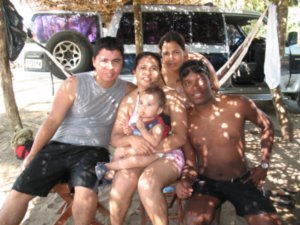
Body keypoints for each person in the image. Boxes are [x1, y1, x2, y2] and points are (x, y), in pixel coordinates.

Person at [0, 36, 136, 225]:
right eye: (104, 61)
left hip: (94, 151)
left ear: (122, 63)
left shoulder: (128, 89)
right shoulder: (74, 83)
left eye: (116, 61)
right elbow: (52, 120)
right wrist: (33, 153)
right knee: (20, 192)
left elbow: (156, 95)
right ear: (94, 61)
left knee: (86, 194)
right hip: (58, 146)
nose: (110, 67)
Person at [176, 59, 282, 225]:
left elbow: (267, 124)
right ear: (183, 89)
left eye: (200, 80)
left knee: (269, 222)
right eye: (188, 83)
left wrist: (264, 165)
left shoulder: (238, 104)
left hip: (241, 180)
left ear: (210, 81)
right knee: (194, 219)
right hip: (207, 183)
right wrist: (185, 180)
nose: (195, 87)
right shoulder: (186, 120)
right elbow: (190, 162)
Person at [109, 52, 187, 225]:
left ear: (160, 72)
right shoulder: (129, 101)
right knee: (121, 183)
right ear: (134, 71)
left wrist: (152, 147)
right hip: (139, 154)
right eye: (142, 68)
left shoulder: (171, 97)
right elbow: (115, 137)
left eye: (153, 68)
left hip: (167, 154)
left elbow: (181, 136)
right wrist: (132, 141)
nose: (147, 72)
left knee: (147, 183)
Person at [95, 85, 172, 180]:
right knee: (119, 150)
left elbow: (155, 142)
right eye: (141, 103)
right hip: (139, 149)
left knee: (133, 161)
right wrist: (129, 131)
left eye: (149, 105)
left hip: (155, 153)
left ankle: (107, 167)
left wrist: (142, 129)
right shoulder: (141, 119)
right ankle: (113, 171)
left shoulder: (158, 125)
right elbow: (137, 133)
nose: (143, 107)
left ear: (159, 110)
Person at [158, 31, 219, 98]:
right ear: (161, 55)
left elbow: (215, 87)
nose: (171, 58)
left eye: (176, 52)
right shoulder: (157, 70)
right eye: (166, 53)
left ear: (184, 52)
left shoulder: (198, 61)